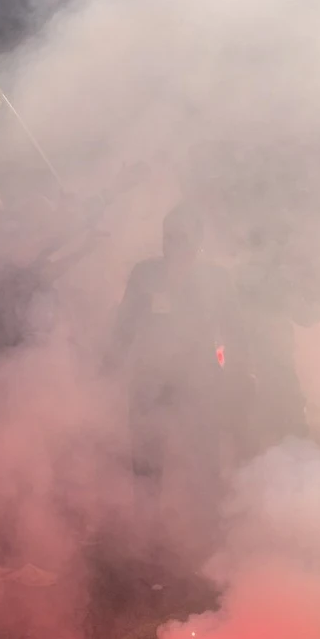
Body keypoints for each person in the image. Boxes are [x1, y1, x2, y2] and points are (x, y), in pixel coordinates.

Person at [109, 202, 239, 526]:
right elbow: (125, 323)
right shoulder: (145, 273)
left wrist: (237, 373)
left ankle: (205, 521)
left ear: (198, 240)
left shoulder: (217, 279)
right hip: (150, 378)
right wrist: (110, 362)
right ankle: (146, 522)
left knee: (204, 453)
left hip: (199, 379)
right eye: (168, 236)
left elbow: (234, 330)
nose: (172, 244)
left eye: (181, 236)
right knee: (146, 453)